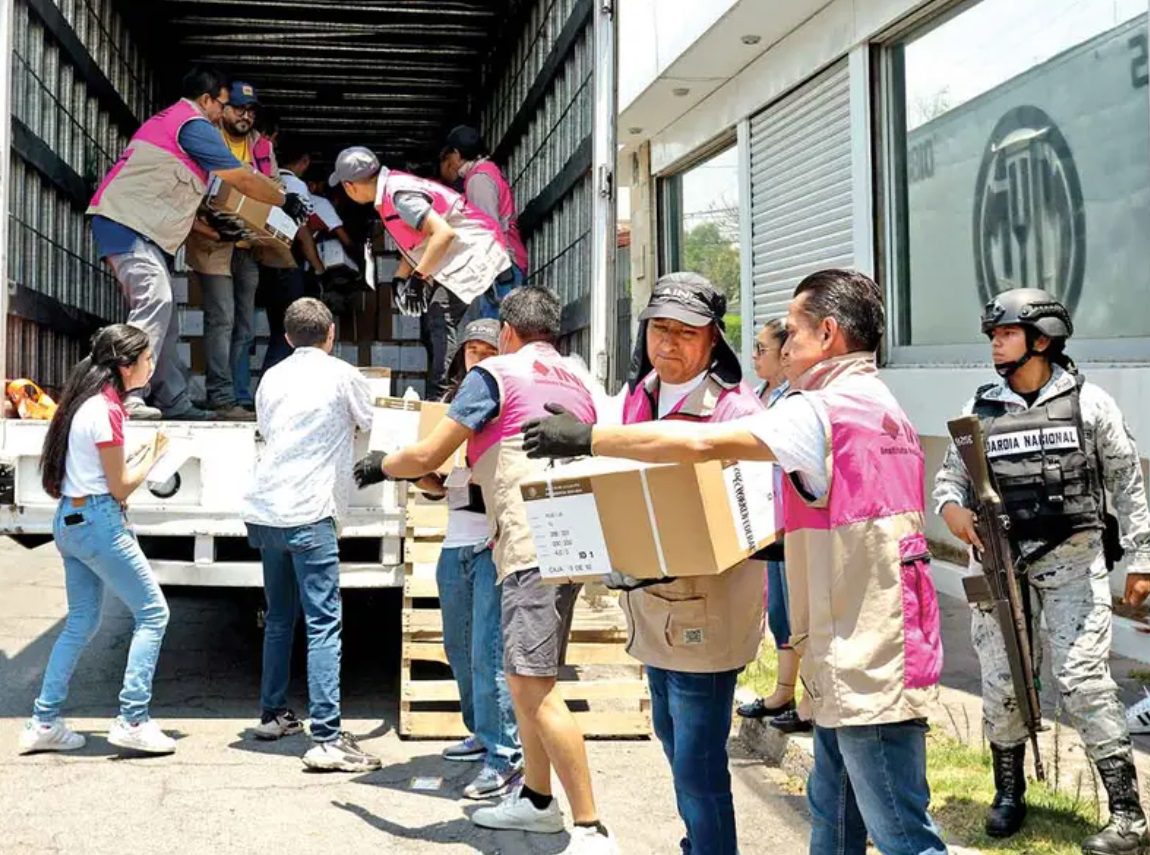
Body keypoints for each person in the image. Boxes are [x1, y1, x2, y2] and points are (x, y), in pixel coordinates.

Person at [523, 269, 947, 855]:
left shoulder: (820, 410)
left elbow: (703, 446)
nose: (779, 343)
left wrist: (590, 438)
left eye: (792, 331)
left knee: (900, 832)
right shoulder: (879, 404)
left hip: (862, 648)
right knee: (835, 812)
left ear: (827, 334)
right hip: (857, 638)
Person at [353, 286, 616, 854]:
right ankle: (538, 803)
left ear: (507, 333)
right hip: (573, 536)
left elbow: (427, 457)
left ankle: (592, 827)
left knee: (531, 685)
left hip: (530, 543)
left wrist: (382, 465)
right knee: (529, 682)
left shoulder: (496, 373)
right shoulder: (576, 379)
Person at [934, 288, 1150, 852]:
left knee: (1083, 682)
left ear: (1042, 340)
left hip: (1073, 565)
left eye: (1004, 334)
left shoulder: (1090, 404)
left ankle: (1127, 814)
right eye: (993, 336)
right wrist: (952, 510)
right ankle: (1009, 794)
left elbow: (1128, 486)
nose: (995, 344)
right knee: (1002, 685)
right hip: (1003, 570)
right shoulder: (979, 408)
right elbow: (949, 480)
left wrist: (1144, 557)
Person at [615, 272, 766, 853]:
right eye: (659, 329)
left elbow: (743, 515)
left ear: (712, 341)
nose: (669, 344)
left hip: (709, 605)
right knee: (670, 735)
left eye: (685, 332)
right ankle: (695, 843)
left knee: (699, 761)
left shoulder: (733, 408)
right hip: (652, 604)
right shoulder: (640, 394)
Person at [87, 66, 285, 421]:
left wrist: (217, 233)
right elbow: (241, 178)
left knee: (166, 319)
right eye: (223, 104)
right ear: (206, 100)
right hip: (127, 226)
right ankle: (129, 393)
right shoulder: (191, 125)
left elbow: (185, 207)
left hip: (142, 230)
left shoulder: (176, 127)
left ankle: (175, 403)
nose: (224, 112)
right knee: (156, 301)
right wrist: (283, 200)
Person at [19, 324, 176, 755]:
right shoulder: (107, 411)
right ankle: (132, 719)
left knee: (81, 622)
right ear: (125, 366)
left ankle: (43, 722)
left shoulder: (83, 403)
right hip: (98, 520)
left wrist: (135, 464)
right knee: (153, 615)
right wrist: (153, 458)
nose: (151, 365)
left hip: (71, 518)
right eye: (145, 359)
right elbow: (121, 487)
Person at [240, 297, 380, 773]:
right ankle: (326, 736)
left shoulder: (272, 377)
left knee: (279, 617)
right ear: (332, 333)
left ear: (285, 337)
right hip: (309, 512)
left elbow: (265, 428)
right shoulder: (343, 375)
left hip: (265, 511)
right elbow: (370, 421)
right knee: (324, 623)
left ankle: (273, 713)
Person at [426, 318, 523, 800]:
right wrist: (420, 475)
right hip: (453, 544)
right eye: (472, 352)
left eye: (489, 351)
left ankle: (505, 753)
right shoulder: (447, 412)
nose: (479, 359)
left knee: (489, 653)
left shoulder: (506, 404)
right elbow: (434, 484)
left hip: (490, 544)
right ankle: (481, 732)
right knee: (458, 648)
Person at [330, 145, 512, 399]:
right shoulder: (392, 192)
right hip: (462, 259)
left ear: (351, 186)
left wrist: (417, 279)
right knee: (437, 325)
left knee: (442, 321)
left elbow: (443, 233)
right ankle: (445, 395)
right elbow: (418, 241)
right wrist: (399, 279)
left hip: (476, 256)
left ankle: (443, 400)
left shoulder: (399, 196)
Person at [184, 80, 280, 420]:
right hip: (213, 243)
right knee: (222, 319)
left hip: (248, 246)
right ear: (221, 108)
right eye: (239, 108)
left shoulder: (263, 148)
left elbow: (274, 189)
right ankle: (221, 396)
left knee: (244, 327)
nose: (246, 115)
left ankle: (238, 395)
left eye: (251, 111)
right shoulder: (205, 137)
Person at [737, 319, 813, 735]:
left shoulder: (795, 399)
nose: (757, 357)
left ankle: (804, 699)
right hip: (766, 516)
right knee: (781, 609)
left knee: (799, 609)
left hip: (792, 517)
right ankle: (782, 691)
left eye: (763, 349)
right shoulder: (761, 395)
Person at [439, 125, 528, 317]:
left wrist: (493, 273)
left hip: (501, 269)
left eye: (450, 157)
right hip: (505, 265)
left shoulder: (478, 180)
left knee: (493, 333)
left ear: (456, 154)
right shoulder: (488, 172)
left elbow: (487, 230)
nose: (451, 164)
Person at [259, 138, 330, 372]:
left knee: (277, 331)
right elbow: (302, 231)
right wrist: (318, 266)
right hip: (288, 265)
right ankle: (272, 386)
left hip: (265, 263)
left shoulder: (266, 180)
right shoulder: (296, 186)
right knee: (288, 334)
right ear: (305, 161)